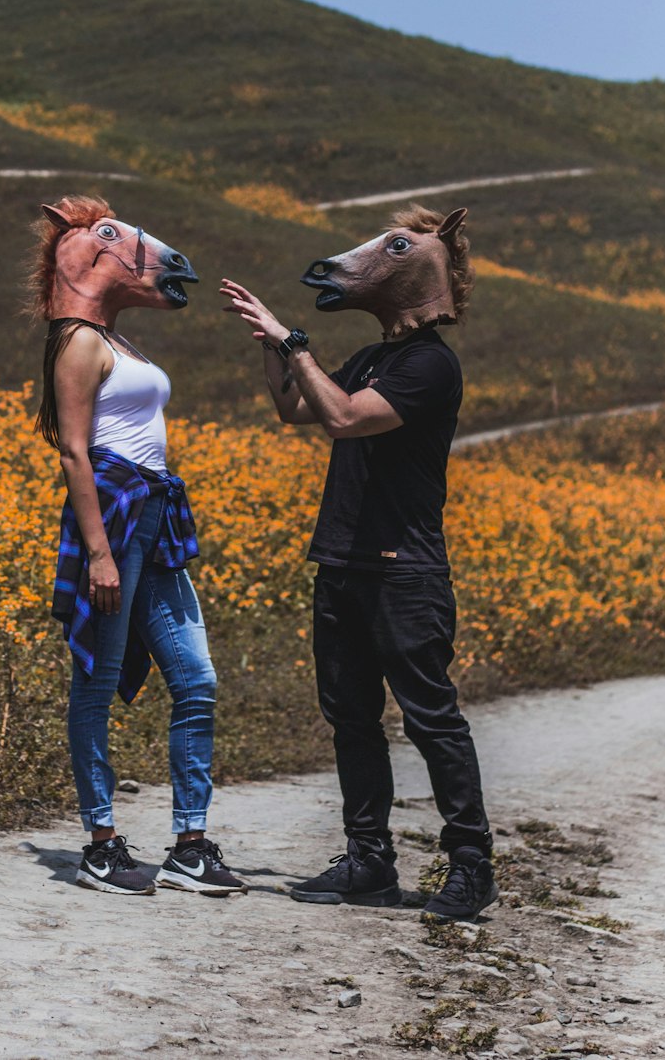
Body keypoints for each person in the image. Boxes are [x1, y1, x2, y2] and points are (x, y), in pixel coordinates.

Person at [221, 204, 497, 921]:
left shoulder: (430, 363)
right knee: (351, 719)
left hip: (405, 572)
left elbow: (344, 417)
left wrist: (298, 343)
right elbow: (297, 410)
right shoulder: (375, 357)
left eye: (394, 249)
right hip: (343, 564)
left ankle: (472, 865)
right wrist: (272, 345)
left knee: (432, 720)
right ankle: (368, 859)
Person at [33, 194, 245, 898]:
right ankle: (100, 843)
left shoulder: (117, 339)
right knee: (94, 685)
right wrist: (97, 551)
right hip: (116, 523)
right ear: (90, 253)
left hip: (155, 521)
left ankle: (190, 843)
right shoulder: (79, 340)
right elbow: (72, 451)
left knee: (198, 680)